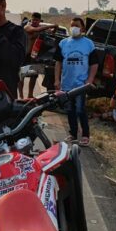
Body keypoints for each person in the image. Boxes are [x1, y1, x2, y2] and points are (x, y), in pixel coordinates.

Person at [54, 17, 98, 146]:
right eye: (72, 25)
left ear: (83, 28)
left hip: (81, 84)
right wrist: (57, 80)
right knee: (69, 110)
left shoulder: (89, 44)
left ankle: (85, 135)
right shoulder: (63, 43)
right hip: (66, 84)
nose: (74, 28)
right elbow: (58, 63)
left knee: (80, 110)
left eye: (77, 25)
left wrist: (89, 80)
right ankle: (73, 133)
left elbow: (94, 64)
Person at [18, 12, 58, 99]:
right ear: (30, 20)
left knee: (33, 76)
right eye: (33, 20)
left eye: (36, 20)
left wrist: (55, 28)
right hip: (25, 55)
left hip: (35, 57)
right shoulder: (27, 27)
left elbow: (52, 33)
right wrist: (50, 26)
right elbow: (34, 30)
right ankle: (21, 96)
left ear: (40, 20)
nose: (34, 22)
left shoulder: (41, 29)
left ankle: (30, 95)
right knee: (21, 76)